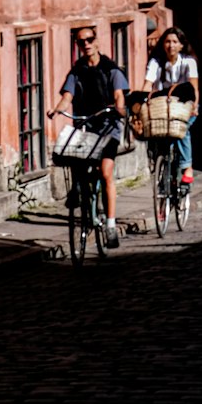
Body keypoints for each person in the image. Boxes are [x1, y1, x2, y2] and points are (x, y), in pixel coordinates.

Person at [48, 28, 129, 248]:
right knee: (71, 154)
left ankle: (111, 225)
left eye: (89, 39)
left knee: (105, 172)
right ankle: (79, 191)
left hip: (108, 127)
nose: (86, 44)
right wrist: (57, 110)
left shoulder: (111, 70)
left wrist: (119, 108)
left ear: (97, 40)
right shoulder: (77, 71)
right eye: (81, 41)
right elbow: (67, 96)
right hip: (86, 127)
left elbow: (119, 95)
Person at [143, 28, 200, 184]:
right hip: (163, 104)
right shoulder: (156, 62)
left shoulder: (189, 62)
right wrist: (142, 101)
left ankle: (187, 166)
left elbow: (194, 87)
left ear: (181, 45)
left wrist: (194, 107)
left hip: (185, 103)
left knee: (183, 130)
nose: (171, 45)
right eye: (167, 41)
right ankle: (162, 164)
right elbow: (148, 85)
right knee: (158, 130)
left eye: (175, 42)